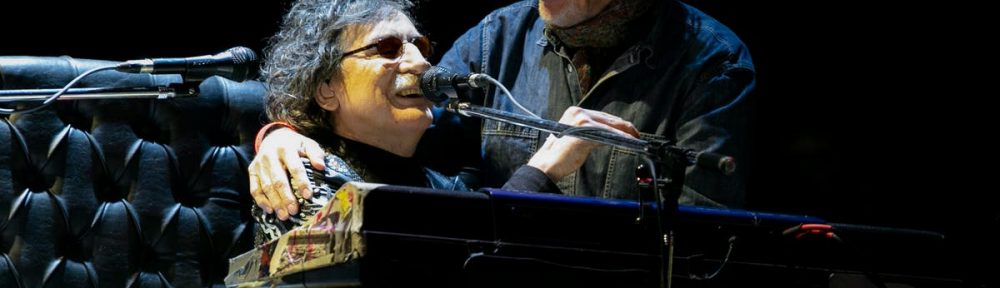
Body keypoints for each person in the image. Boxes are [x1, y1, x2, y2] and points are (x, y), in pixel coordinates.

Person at [251, 0, 754, 217]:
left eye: (422, 45)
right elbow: (390, 121)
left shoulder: (710, 61)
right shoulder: (497, 39)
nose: (423, 63)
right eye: (389, 48)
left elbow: (701, 239)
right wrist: (282, 131)